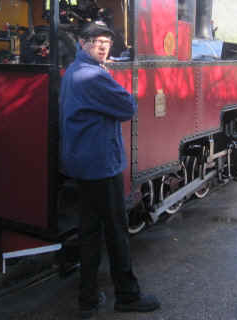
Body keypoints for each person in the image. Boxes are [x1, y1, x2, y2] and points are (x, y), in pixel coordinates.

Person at [60, 21, 160, 318]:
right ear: (81, 43)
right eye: (96, 41)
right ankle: (127, 295)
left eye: (107, 42)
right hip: (101, 165)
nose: (103, 46)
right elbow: (128, 106)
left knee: (90, 232)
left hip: (83, 164)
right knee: (117, 231)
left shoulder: (73, 71)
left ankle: (88, 300)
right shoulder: (93, 76)